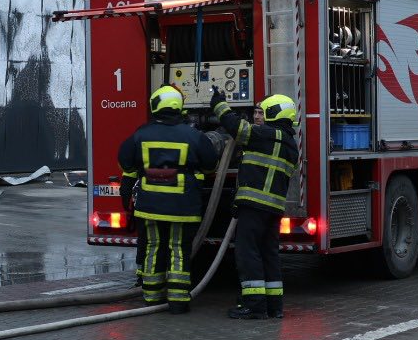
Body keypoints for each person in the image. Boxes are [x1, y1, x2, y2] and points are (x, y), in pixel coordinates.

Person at [118, 85, 219, 313]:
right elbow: (210, 164)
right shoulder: (194, 136)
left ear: (155, 106)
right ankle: (178, 300)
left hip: (150, 205)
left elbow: (126, 162)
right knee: (179, 248)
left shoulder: (141, 134)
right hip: (183, 205)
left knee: (153, 246)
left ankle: (152, 297)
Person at [211, 86, 300, 320]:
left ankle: (254, 306)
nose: (259, 116)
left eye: (263, 112)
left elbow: (235, 126)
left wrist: (219, 103)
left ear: (274, 113)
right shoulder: (291, 145)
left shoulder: (266, 135)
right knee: (269, 254)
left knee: (247, 253)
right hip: (273, 208)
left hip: (254, 206)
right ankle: (274, 306)